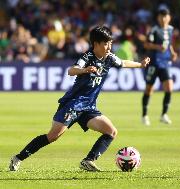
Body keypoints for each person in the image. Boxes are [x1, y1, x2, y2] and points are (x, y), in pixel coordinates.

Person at [9, 26, 150, 172]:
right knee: (52, 136)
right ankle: (18, 158)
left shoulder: (109, 58)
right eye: (106, 43)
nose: (109, 47)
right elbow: (71, 70)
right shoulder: (87, 57)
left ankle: (88, 161)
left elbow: (123, 63)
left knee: (111, 132)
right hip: (73, 105)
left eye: (110, 43)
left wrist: (140, 64)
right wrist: (85, 70)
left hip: (88, 107)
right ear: (96, 43)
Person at [141, 6, 177, 126]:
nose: (163, 18)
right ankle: (144, 115)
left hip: (165, 62)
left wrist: (172, 53)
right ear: (158, 18)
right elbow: (146, 44)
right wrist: (157, 47)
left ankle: (164, 115)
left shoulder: (171, 29)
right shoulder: (154, 30)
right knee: (149, 89)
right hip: (154, 62)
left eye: (165, 16)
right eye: (161, 16)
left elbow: (169, 44)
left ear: (169, 18)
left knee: (169, 88)